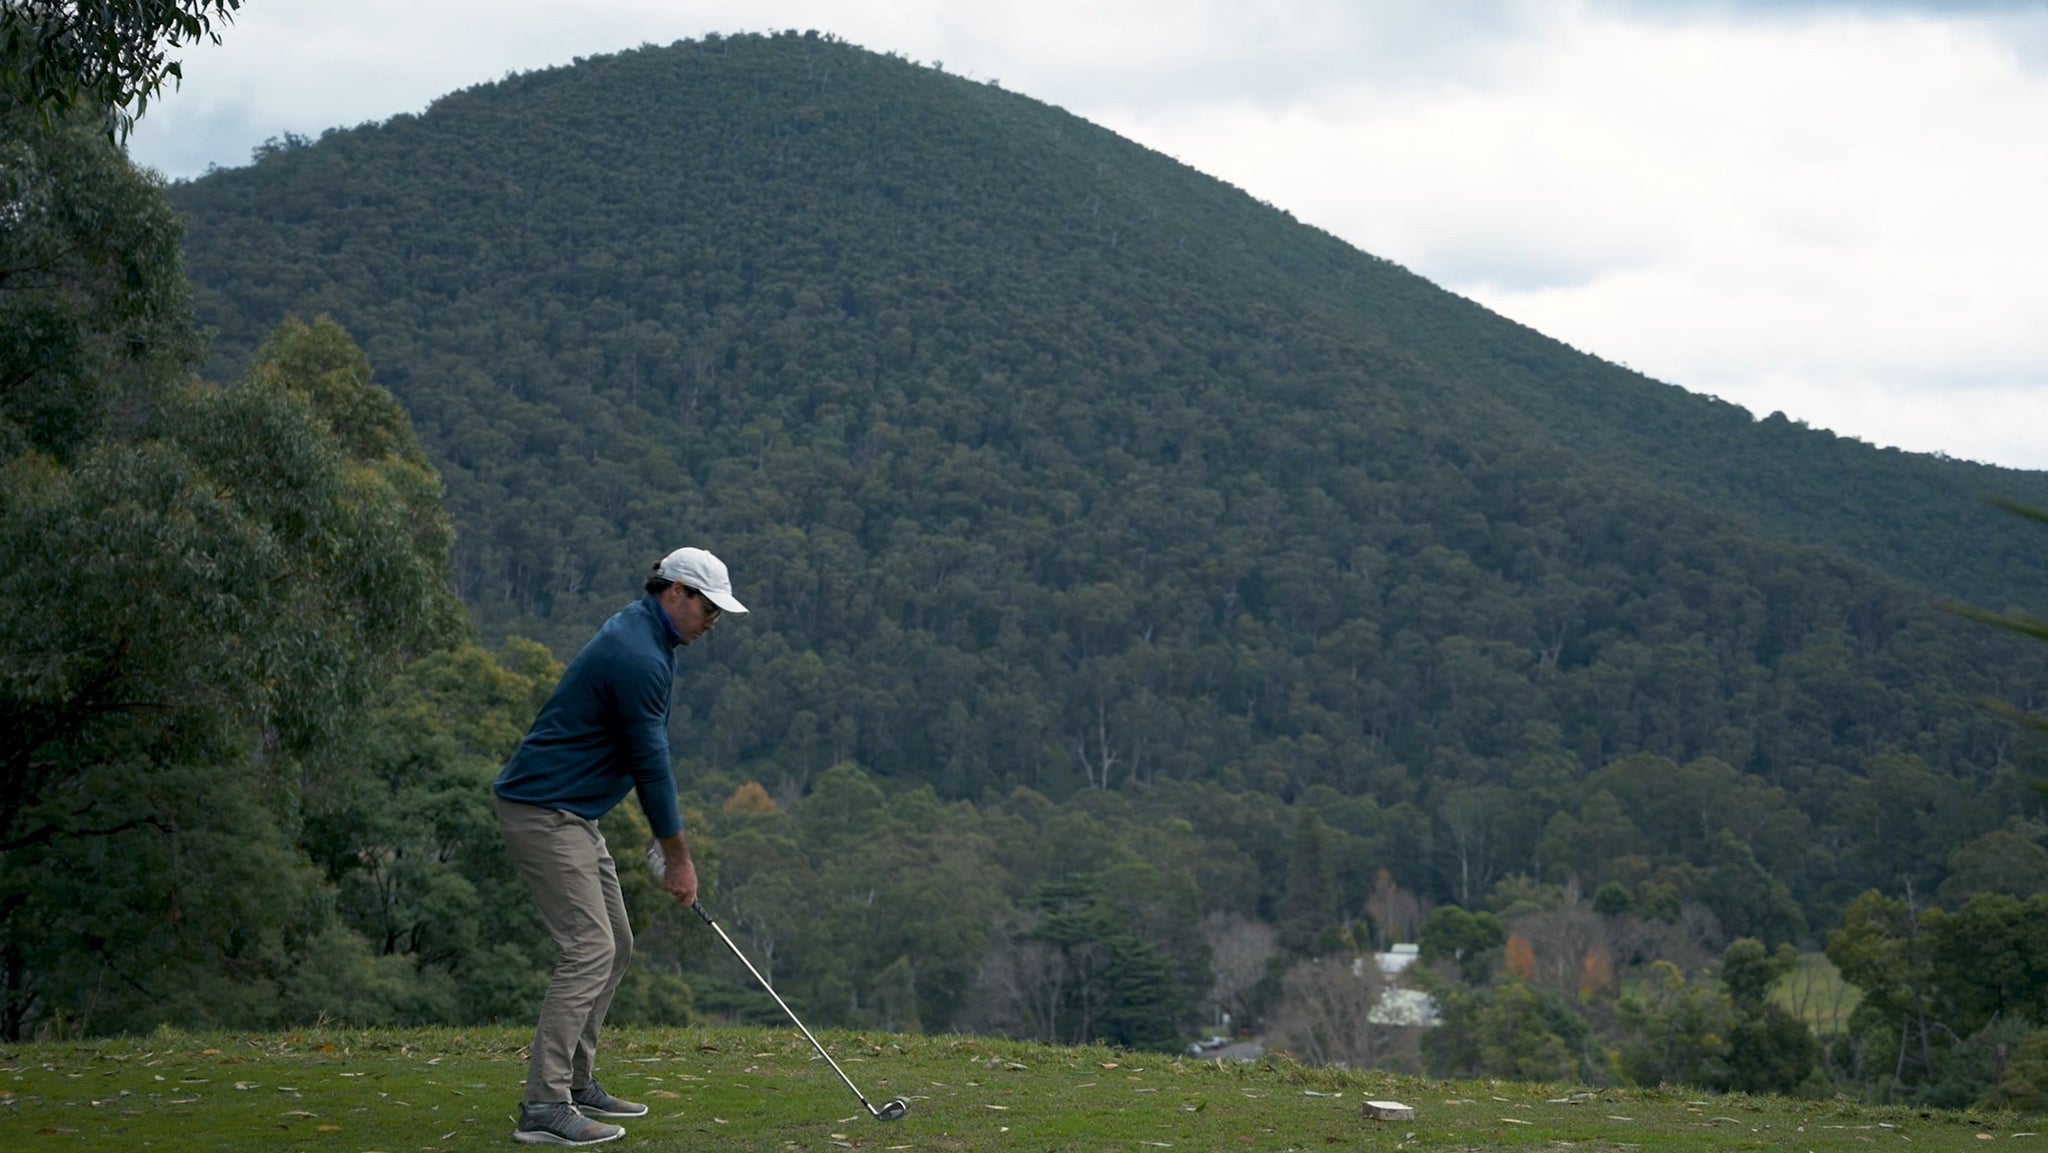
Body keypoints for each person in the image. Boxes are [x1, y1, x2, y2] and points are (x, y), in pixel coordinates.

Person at [492, 546, 746, 1146]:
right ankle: (544, 1105)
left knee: (617, 943)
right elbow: (651, 765)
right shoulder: (639, 654)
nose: (712, 623)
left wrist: (668, 845)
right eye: (707, 608)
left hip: (574, 812)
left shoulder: (650, 639)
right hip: (543, 811)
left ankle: (576, 1084)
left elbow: (642, 756)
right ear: (675, 592)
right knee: (588, 947)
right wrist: (678, 856)